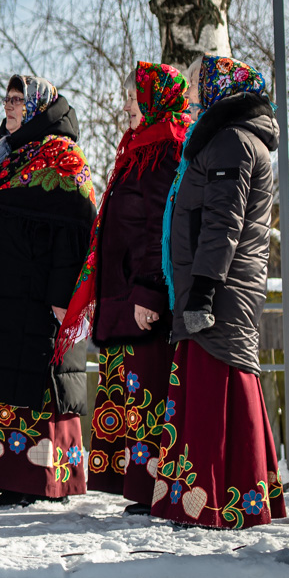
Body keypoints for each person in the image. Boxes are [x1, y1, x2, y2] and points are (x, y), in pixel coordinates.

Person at [153, 55, 287, 529]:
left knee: (219, 389)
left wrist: (204, 292)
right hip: (217, 284)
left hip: (220, 289)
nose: (193, 95)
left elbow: (222, 224)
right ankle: (228, 497)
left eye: (201, 85)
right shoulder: (228, 139)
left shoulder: (232, 141)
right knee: (218, 385)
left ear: (222, 90)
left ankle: (215, 501)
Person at [0, 75, 96, 512]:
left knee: (34, 383)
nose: (9, 107)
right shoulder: (3, 154)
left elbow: (76, 235)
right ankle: (6, 476)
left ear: (37, 108)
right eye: (7, 99)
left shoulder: (62, 159)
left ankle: (38, 478)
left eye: (18, 100)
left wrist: (60, 297)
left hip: (38, 299)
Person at [55, 64, 190, 513]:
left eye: (134, 96)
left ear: (156, 100)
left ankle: (156, 489)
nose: (126, 104)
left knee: (149, 394)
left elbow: (161, 231)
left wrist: (148, 294)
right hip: (123, 297)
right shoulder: (139, 148)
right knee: (132, 396)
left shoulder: (166, 149)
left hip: (144, 301)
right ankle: (140, 488)